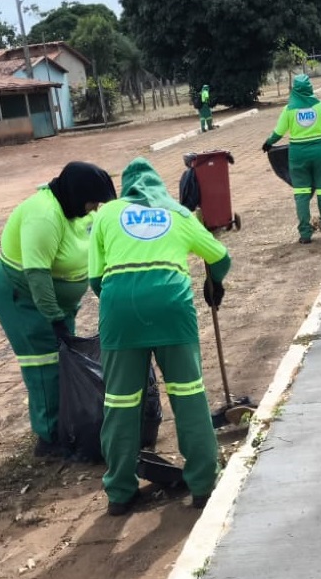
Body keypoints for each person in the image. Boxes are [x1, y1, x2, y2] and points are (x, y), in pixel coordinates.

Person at [89, 157, 231, 515]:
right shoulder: (178, 214)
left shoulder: (105, 216)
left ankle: (119, 494)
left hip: (120, 310)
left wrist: (124, 302)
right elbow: (220, 256)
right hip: (172, 309)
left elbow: (94, 280)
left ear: (127, 188)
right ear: (159, 187)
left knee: (120, 404)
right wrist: (213, 282)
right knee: (188, 395)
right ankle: (202, 485)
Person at [0, 162, 117, 459]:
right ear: (77, 193)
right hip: (21, 296)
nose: (95, 208)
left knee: (62, 362)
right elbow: (37, 275)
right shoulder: (43, 215)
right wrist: (54, 317)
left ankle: (65, 424)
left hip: (55, 302)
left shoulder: (75, 210)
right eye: (93, 201)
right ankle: (49, 438)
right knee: (43, 364)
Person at [262, 74, 321, 243]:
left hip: (298, 155)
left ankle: (305, 235)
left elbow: (278, 133)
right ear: (310, 89)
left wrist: (268, 143)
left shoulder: (289, 110)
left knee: (301, 193)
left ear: (294, 90)